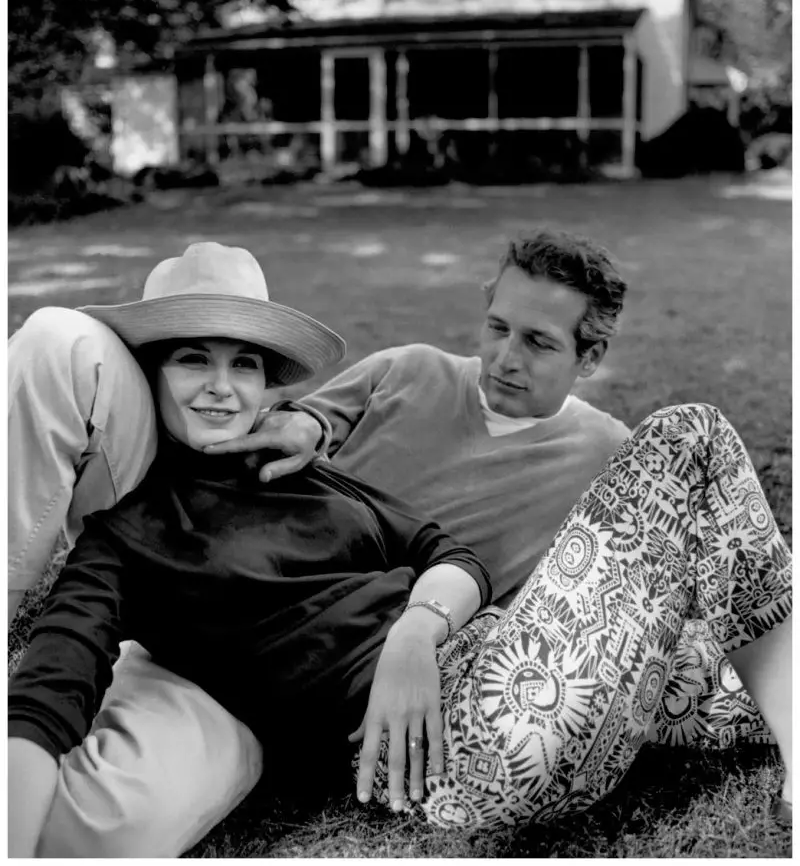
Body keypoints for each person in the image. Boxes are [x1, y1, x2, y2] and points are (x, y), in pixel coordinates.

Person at [8, 235, 792, 855]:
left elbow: (447, 549)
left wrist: (416, 633)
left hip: (513, 657)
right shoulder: (129, 535)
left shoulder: (323, 484)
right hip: (479, 734)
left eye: (243, 362)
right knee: (693, 433)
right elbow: (48, 692)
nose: (222, 386)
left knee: (739, 674)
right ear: (150, 373)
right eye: (191, 358)